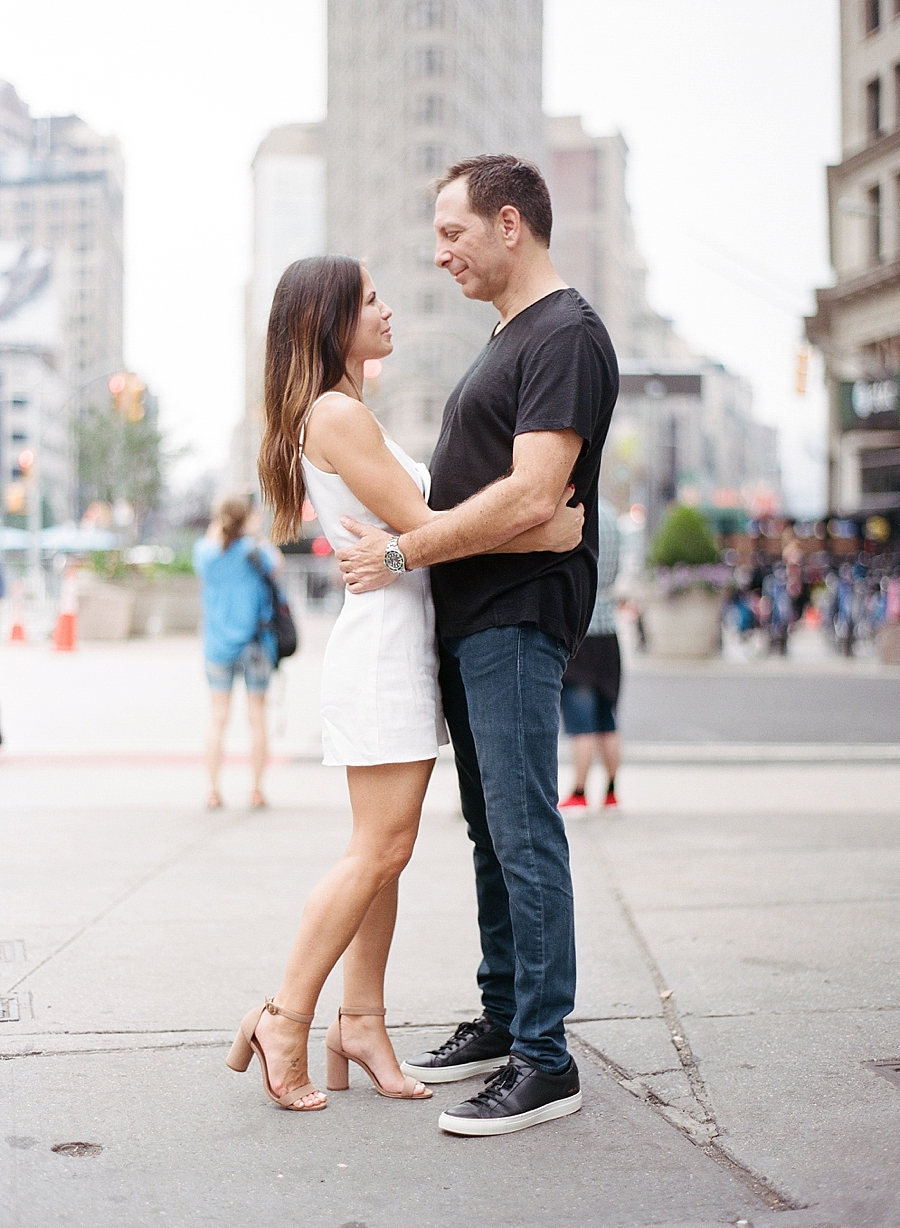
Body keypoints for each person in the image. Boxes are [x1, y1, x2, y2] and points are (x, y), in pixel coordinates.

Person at [226, 254, 581, 1113]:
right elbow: (427, 530)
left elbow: (414, 533)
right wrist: (548, 533)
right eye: (371, 299)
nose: (388, 310)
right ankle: (286, 1014)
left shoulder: (347, 412)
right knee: (377, 850)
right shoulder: (338, 414)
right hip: (382, 652)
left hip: (401, 647)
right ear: (331, 320)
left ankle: (361, 1020)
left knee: (388, 853)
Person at [336, 155, 618, 1135]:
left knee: (525, 831)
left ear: (510, 224)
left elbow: (540, 492)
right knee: (493, 836)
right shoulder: (507, 336)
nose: (439, 251)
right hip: (472, 619)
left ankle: (546, 1058)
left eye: (452, 232)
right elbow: (520, 501)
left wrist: (408, 547)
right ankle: (505, 1018)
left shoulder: (565, 332)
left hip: (512, 616)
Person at [193, 497, 281, 810]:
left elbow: (210, 545)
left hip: (217, 647)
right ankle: (256, 790)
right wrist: (253, 532)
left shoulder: (204, 553)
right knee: (257, 717)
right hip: (255, 645)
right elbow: (277, 566)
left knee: (218, 718)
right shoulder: (253, 551)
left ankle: (214, 791)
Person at [558, 496, 622, 812]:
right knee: (606, 718)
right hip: (609, 630)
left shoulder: (577, 513)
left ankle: (580, 792)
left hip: (581, 627)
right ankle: (611, 792)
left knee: (580, 722)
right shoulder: (613, 518)